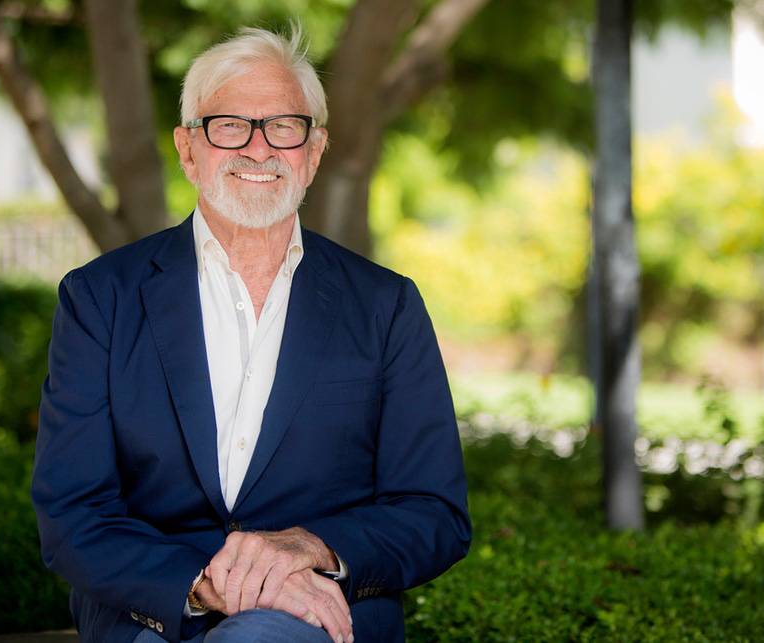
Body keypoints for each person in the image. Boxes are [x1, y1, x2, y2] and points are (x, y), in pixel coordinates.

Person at [32, 25, 471, 643]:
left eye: (284, 126)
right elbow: (72, 511)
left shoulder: (385, 305)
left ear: (314, 150)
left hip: (316, 610)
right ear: (188, 150)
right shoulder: (100, 297)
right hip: (151, 610)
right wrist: (208, 582)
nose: (258, 149)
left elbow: (435, 512)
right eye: (229, 125)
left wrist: (311, 547)